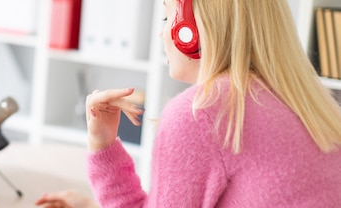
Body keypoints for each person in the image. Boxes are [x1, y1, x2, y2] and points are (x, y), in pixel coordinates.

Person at [36, 0, 341, 207]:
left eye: (168, 16)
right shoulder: (314, 105)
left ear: (190, 31)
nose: (161, 32)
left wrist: (101, 146)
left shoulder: (203, 114)